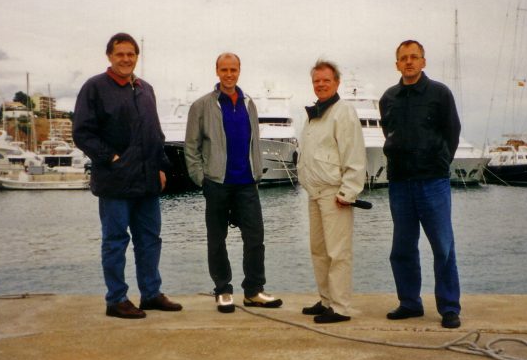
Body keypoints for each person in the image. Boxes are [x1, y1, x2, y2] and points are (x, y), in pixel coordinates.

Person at [72, 33, 181, 319]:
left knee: (149, 239)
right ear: (109, 55)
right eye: (120, 54)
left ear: (137, 57)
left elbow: (155, 134)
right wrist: (112, 158)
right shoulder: (94, 88)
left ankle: (151, 293)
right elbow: (82, 132)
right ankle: (116, 299)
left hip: (147, 181)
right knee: (115, 241)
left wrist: (161, 166)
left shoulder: (146, 90)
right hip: (115, 181)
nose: (126, 59)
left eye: (131, 54)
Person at [184, 53, 283, 313]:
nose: (229, 74)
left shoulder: (250, 104)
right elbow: (191, 147)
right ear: (216, 71)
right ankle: (223, 290)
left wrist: (257, 174)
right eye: (224, 69)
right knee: (217, 239)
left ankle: (254, 290)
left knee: (255, 238)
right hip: (216, 182)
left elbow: (255, 141)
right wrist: (200, 179)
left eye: (233, 69)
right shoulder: (202, 106)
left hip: (247, 183)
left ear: (240, 71)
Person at [379, 39, 462, 329]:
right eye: (404, 58)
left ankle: (449, 307)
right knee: (402, 248)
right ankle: (410, 303)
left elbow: (452, 132)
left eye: (414, 57)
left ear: (423, 62)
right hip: (400, 184)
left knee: (443, 246)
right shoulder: (388, 98)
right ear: (397, 64)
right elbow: (388, 130)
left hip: (432, 182)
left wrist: (439, 163)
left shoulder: (440, 94)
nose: (409, 62)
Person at [298, 60, 365, 324]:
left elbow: (354, 154)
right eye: (316, 81)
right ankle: (326, 299)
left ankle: (339, 306)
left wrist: (348, 192)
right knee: (319, 250)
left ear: (336, 82)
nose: (321, 85)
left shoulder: (343, 112)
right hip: (314, 193)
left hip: (335, 194)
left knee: (338, 252)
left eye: (326, 80)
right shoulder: (313, 115)